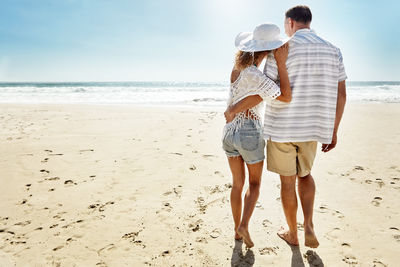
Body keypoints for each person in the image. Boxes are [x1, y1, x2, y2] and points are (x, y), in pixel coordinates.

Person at [226, 6, 347, 248]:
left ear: (290, 22)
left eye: (284, 25)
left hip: (282, 127)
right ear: (308, 21)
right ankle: (309, 224)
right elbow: (341, 94)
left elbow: (269, 91)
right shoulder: (334, 50)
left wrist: (234, 108)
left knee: (287, 182)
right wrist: (333, 130)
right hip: (313, 126)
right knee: (306, 175)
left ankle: (293, 232)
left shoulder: (280, 51)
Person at [222, 23, 292, 248]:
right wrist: (281, 64)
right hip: (249, 131)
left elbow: (256, 97)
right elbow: (284, 96)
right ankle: (243, 225)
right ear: (268, 51)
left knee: (237, 185)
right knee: (254, 184)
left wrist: (235, 109)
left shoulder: (237, 69)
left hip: (229, 133)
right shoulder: (255, 74)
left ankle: (236, 231)